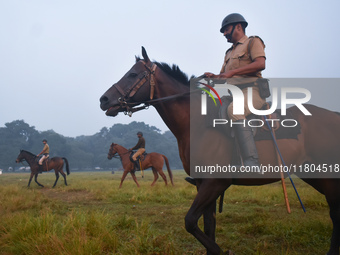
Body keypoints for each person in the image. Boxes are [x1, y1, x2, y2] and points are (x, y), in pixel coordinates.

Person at [204, 13, 267, 170]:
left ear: (238, 27)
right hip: (234, 94)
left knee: (234, 111)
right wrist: (213, 78)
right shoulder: (228, 53)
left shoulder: (253, 41)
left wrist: (232, 73)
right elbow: (223, 77)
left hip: (253, 92)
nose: (224, 33)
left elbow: (260, 63)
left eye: (226, 29)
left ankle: (252, 161)